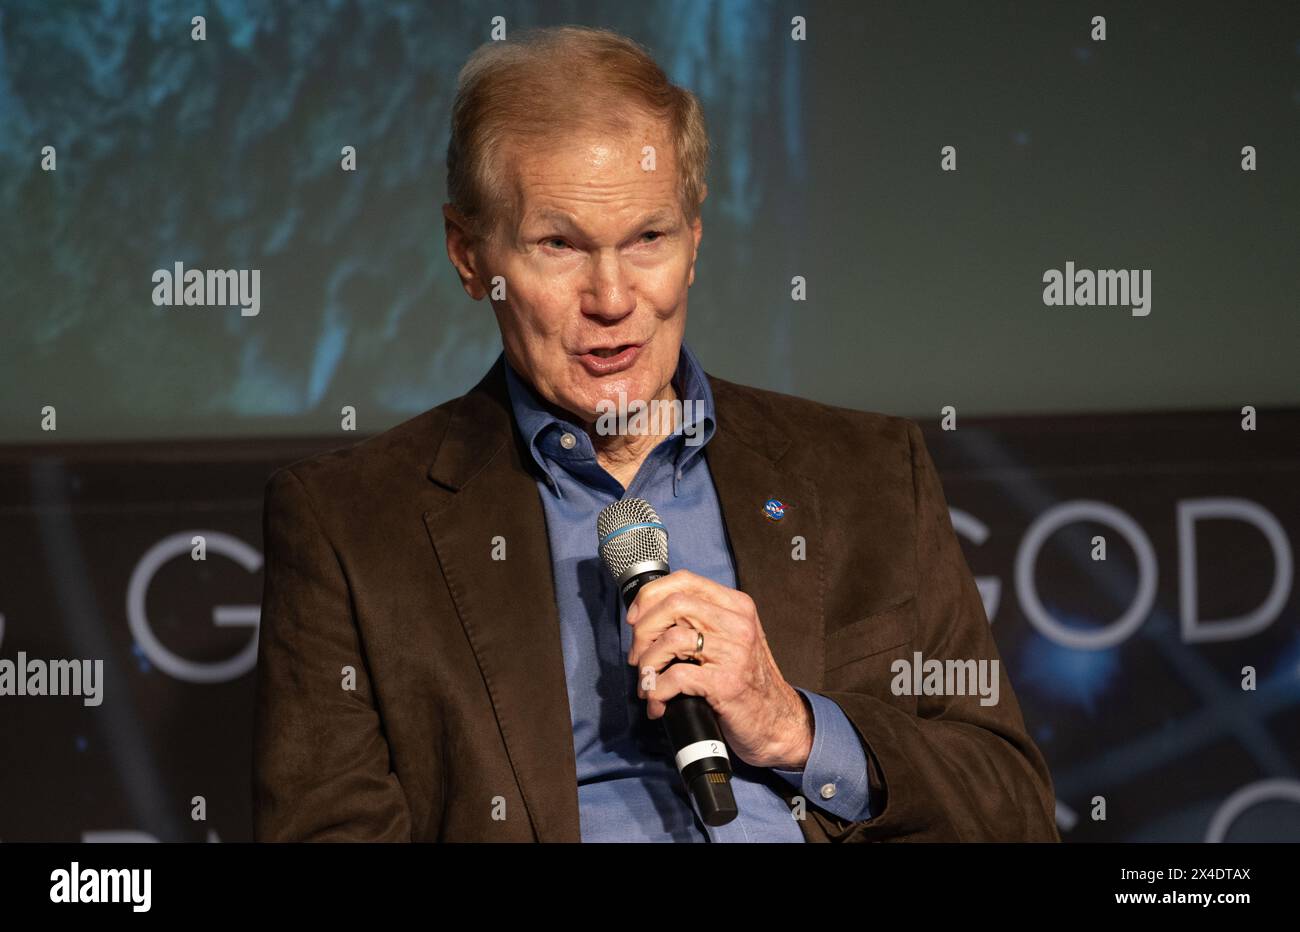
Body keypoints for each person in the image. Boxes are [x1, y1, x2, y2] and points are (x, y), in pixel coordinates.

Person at [252, 25, 1059, 842]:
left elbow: (1016, 812)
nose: (612, 297)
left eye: (648, 238)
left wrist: (795, 727)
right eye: (558, 245)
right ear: (470, 255)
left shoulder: (871, 474)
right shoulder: (350, 527)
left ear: (694, 243)